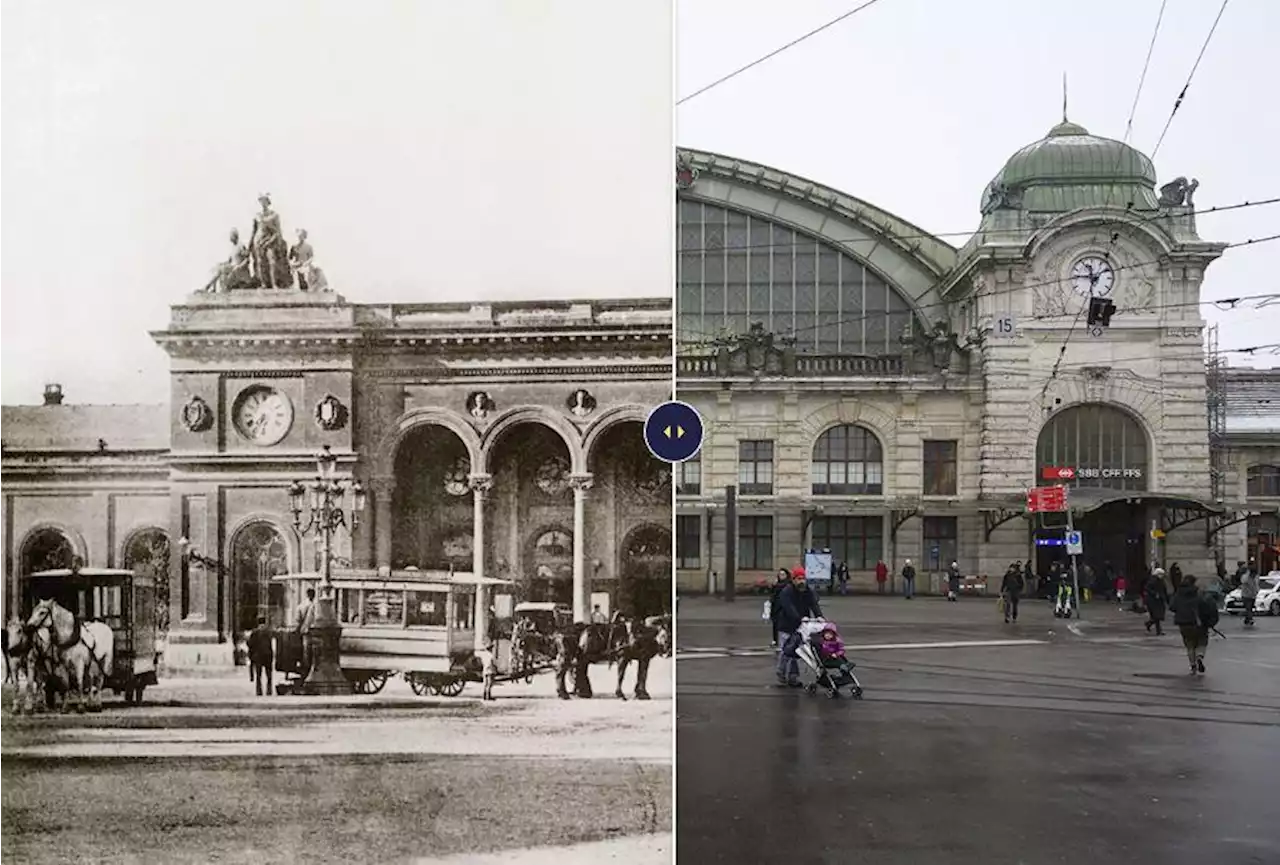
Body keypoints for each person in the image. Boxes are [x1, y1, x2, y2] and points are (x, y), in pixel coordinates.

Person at [774, 571, 823, 687]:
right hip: (786, 625)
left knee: (796, 651)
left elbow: (814, 604)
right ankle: (781, 671)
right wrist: (799, 618)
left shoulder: (807, 591)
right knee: (786, 650)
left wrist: (819, 616)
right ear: (794, 580)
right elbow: (788, 607)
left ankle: (793, 677)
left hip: (801, 625)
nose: (802, 581)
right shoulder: (787, 591)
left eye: (803, 578)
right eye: (799, 579)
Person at [1171, 575, 1217, 675]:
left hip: (1183, 623)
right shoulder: (1198, 594)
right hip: (1198, 622)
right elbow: (1207, 607)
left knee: (1189, 644)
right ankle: (1199, 657)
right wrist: (1209, 621)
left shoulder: (1178, 594)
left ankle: (1193, 665)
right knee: (1202, 641)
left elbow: (1172, 607)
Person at [247, 616, 274, 696]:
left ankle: (259, 691)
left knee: (258, 675)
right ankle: (269, 690)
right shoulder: (268, 632)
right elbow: (270, 645)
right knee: (269, 674)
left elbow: (250, 644)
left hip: (258, 656)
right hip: (267, 655)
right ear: (265, 623)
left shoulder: (254, 632)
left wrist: (251, 655)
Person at [297, 587, 317, 676]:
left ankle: (306, 671)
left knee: (306, 652)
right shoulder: (317, 605)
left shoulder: (302, 605)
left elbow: (298, 619)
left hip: (306, 631)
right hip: (316, 632)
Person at [767, 569, 790, 648]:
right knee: (775, 624)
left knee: (783, 625)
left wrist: (775, 586)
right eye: (780, 574)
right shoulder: (776, 585)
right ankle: (775, 640)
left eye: (783, 574)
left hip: (784, 607)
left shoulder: (787, 585)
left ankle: (783, 641)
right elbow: (772, 594)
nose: (781, 576)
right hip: (775, 606)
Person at [1144, 569, 1169, 636]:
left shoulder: (1161, 580)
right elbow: (1147, 588)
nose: (1162, 576)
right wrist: (1155, 594)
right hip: (1153, 601)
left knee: (1157, 616)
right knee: (1157, 616)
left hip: (1159, 600)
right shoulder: (1153, 580)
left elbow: (1164, 590)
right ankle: (1158, 630)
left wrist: (1166, 598)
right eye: (1161, 574)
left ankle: (1150, 624)